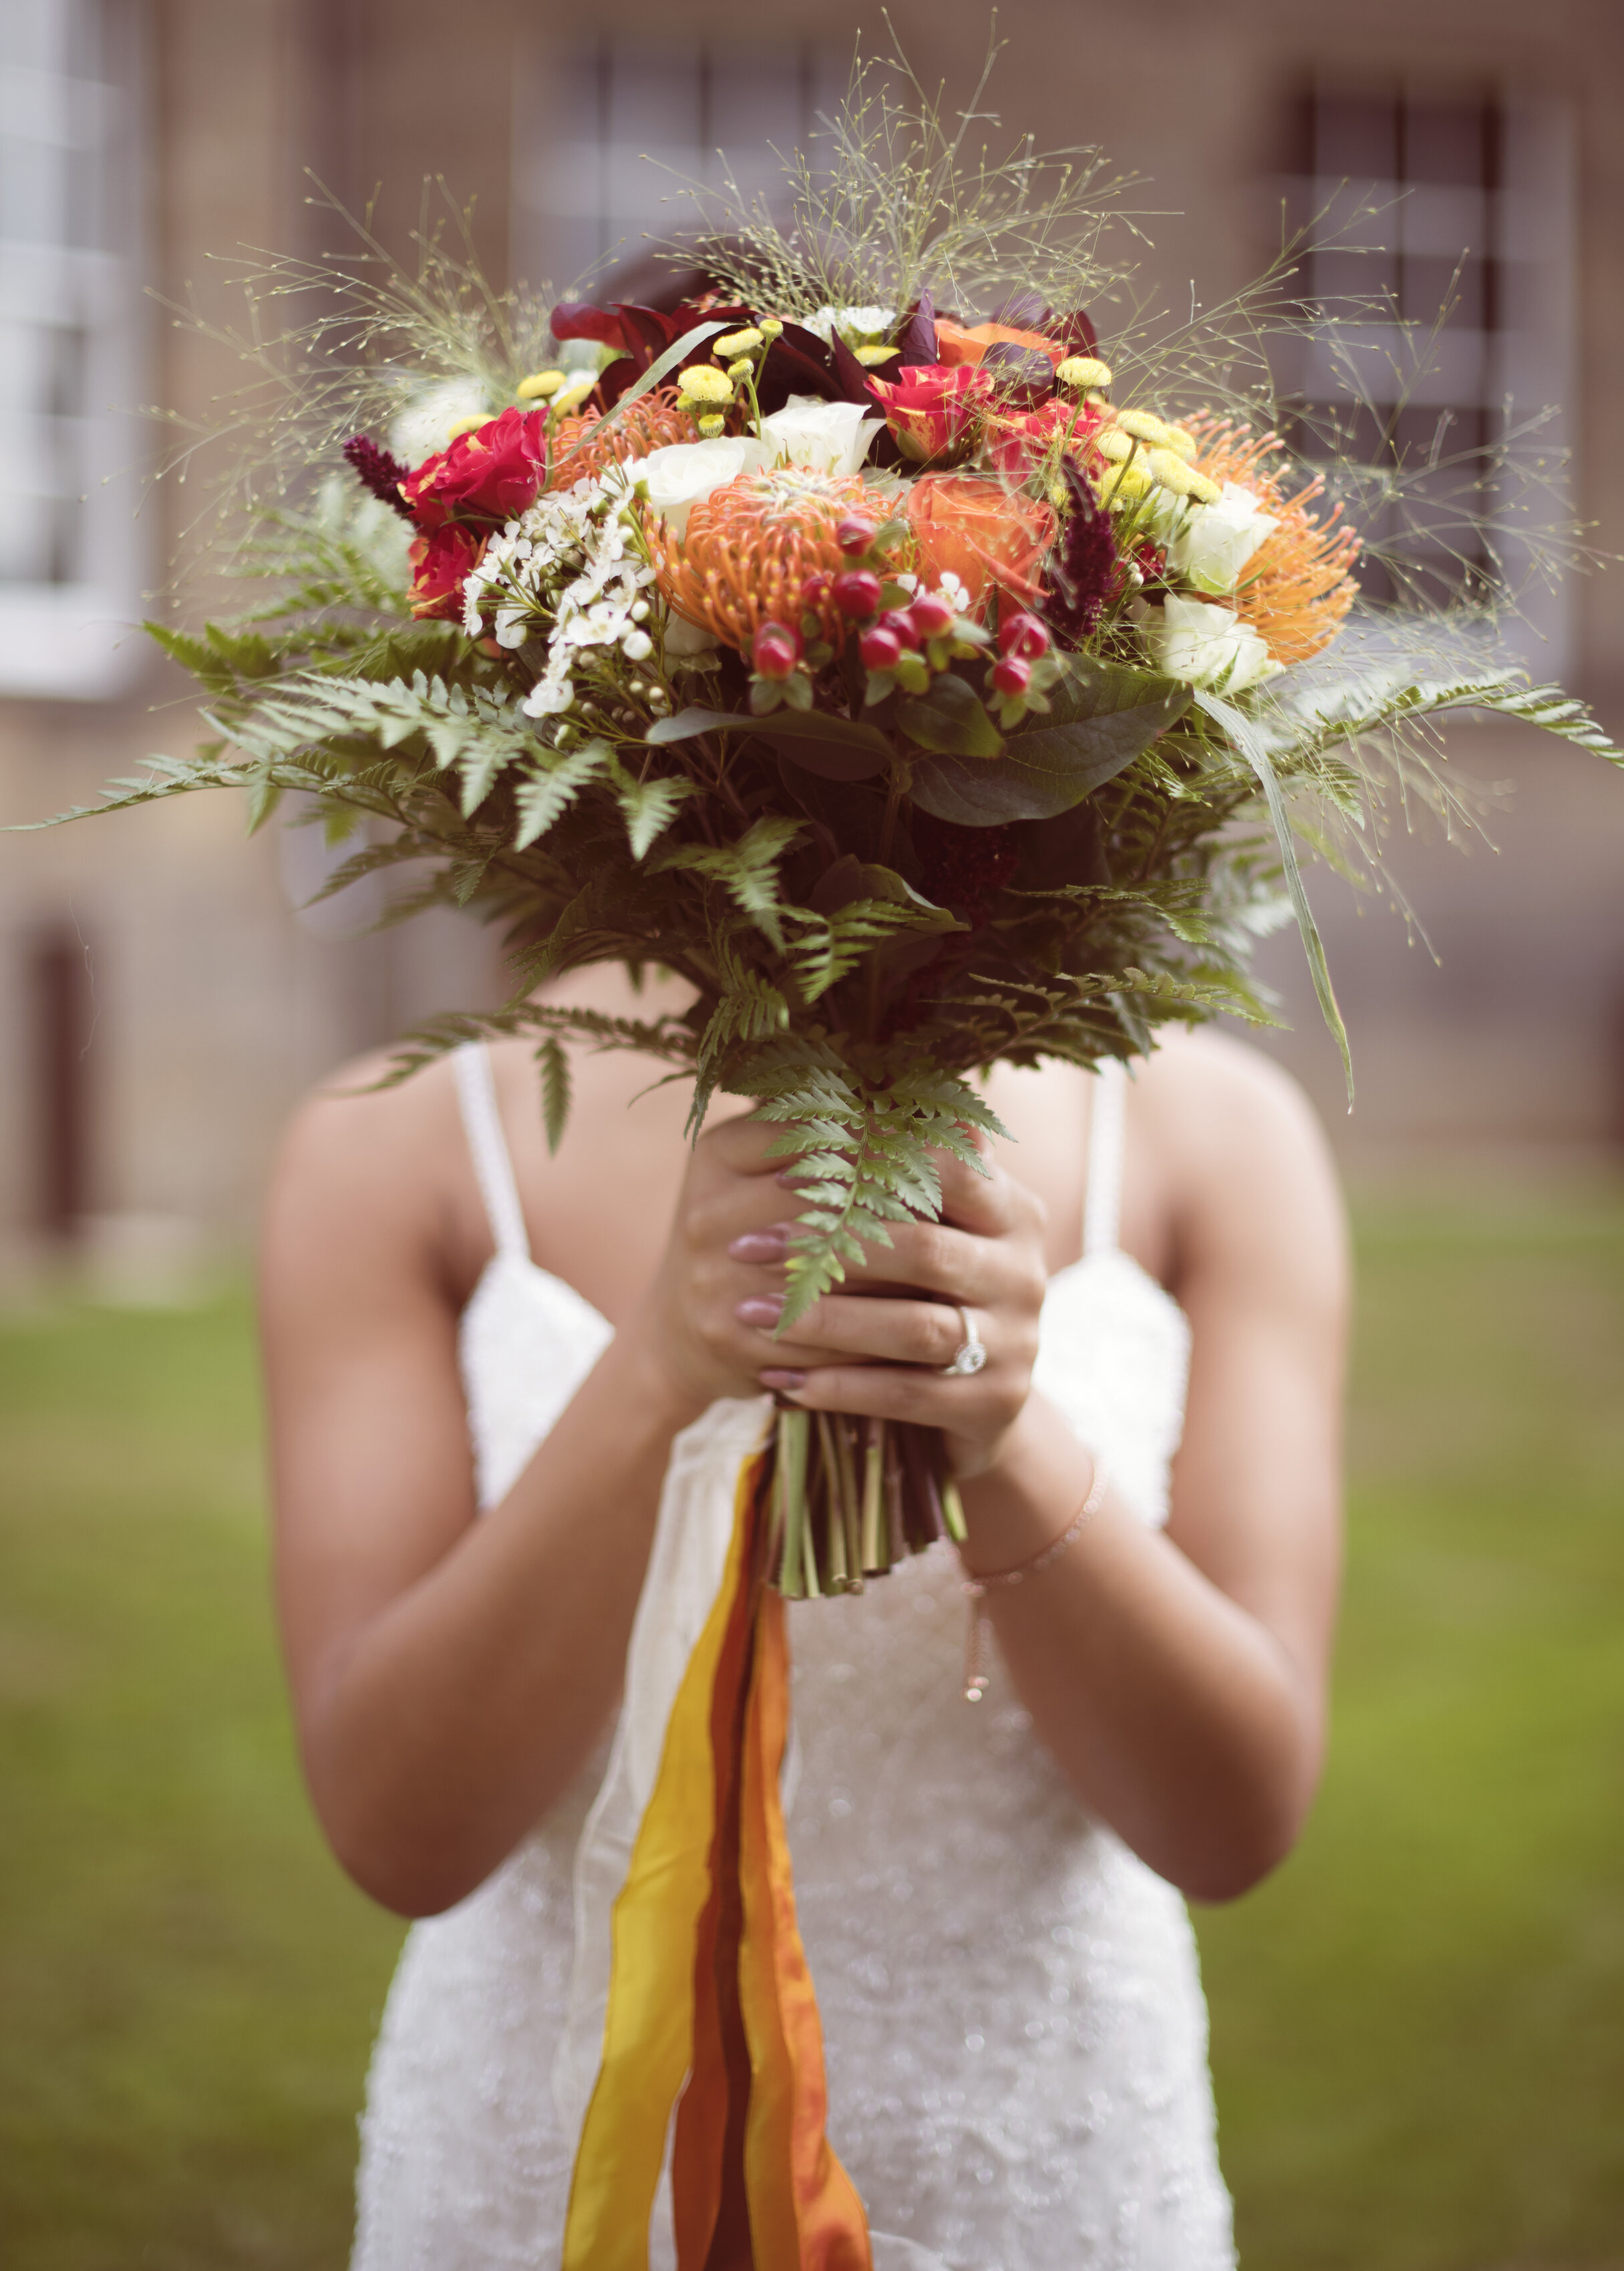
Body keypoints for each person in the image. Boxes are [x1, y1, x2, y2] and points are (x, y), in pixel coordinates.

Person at [262, 956, 1348, 2271]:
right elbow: (397, 1827)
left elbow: (1232, 1819)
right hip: (549, 2180)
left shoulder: (1214, 1135)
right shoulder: (399, 1140)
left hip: (1045, 2172)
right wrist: (662, 1360)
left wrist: (1000, 1432)